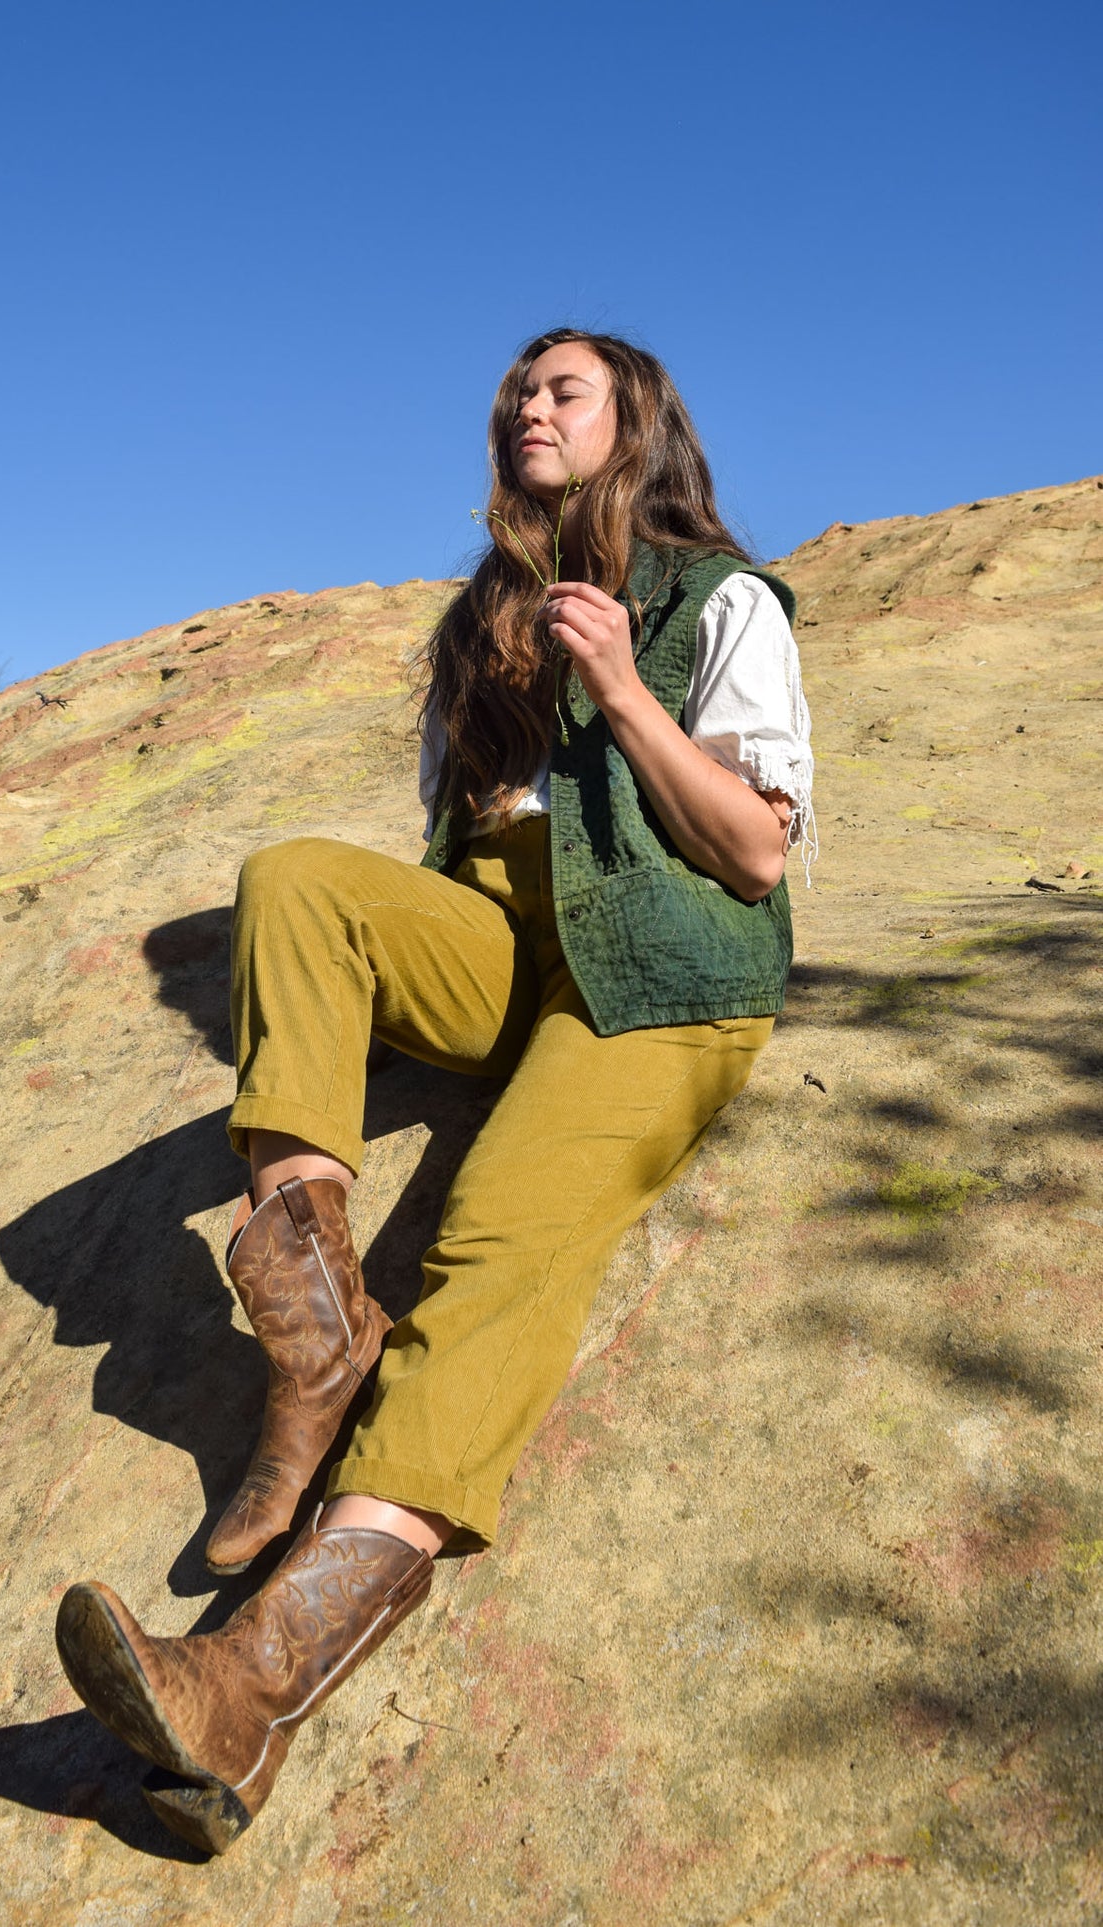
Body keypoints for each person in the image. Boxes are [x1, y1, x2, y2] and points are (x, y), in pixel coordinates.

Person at [54, 329, 815, 1855]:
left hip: (662, 959)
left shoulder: (719, 598)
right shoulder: (479, 616)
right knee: (295, 881)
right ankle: (317, 1337)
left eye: (564, 390)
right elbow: (450, 845)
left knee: (496, 1243)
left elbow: (752, 851)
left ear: (636, 422)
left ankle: (248, 1688)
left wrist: (620, 688)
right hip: (501, 941)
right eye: (516, 392)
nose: (529, 407)